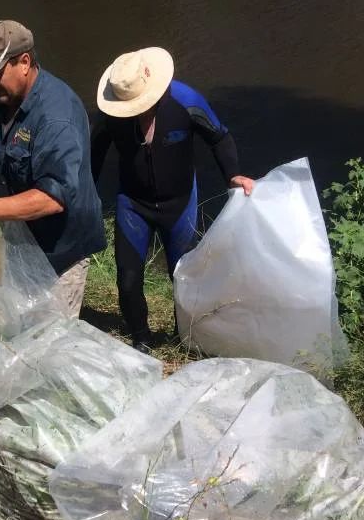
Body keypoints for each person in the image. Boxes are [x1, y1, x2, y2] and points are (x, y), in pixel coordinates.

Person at [92, 47, 254, 348]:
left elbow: (219, 137)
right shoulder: (112, 114)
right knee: (127, 280)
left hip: (179, 203)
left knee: (184, 279)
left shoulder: (185, 102)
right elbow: (96, 151)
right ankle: (141, 340)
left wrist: (232, 175)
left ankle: (187, 338)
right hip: (133, 203)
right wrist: (87, 190)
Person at [0, 20, 105, 318]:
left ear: (24, 62)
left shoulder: (57, 115)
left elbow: (52, 198)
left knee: (51, 338)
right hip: (20, 238)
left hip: (60, 249)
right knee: (20, 323)